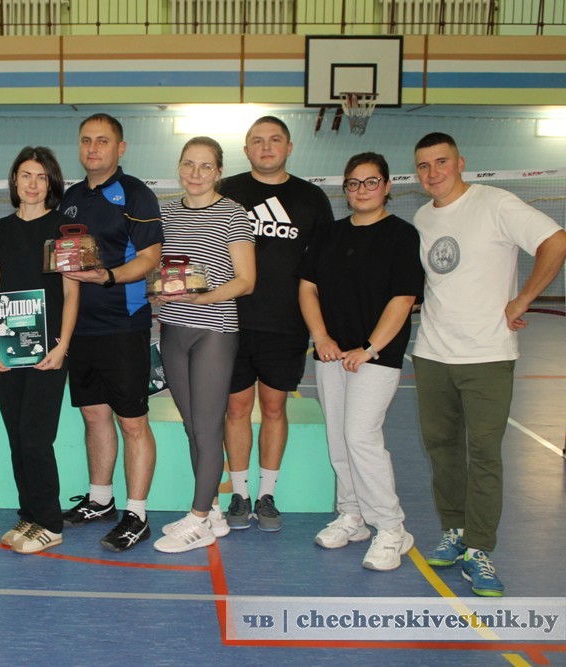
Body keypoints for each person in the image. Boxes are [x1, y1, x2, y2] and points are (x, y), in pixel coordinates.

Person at [412, 132, 566, 596]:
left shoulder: (496, 203)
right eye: (423, 166)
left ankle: (479, 549)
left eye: (441, 162)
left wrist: (524, 298)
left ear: (461, 162)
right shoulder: (422, 216)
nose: (433, 173)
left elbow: (556, 241)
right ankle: (455, 531)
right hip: (432, 353)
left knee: (483, 454)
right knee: (441, 450)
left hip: (488, 355)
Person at [298, 152, 423, 571]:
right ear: (345, 189)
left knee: (360, 436)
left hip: (376, 356)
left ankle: (391, 527)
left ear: (386, 186)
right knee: (338, 437)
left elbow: (403, 298)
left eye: (371, 182)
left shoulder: (402, 235)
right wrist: (322, 337)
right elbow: (308, 288)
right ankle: (351, 515)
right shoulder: (330, 234)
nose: (362, 190)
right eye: (354, 183)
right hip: (332, 354)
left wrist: (368, 348)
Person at [217, 116, 334, 531]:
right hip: (230, 322)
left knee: (273, 407)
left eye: (274, 140)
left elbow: (324, 266)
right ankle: (239, 494)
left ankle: (266, 496)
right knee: (235, 408)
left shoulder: (311, 198)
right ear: (246, 149)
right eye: (257, 141)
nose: (266, 147)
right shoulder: (226, 191)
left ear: (289, 147)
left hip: (285, 325)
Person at [58, 113, 163, 552]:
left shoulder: (135, 194)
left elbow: (151, 257)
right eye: (86, 140)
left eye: (102, 141)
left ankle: (137, 515)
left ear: (120, 148)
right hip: (79, 329)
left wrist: (108, 277)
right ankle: (100, 500)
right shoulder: (70, 197)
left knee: (132, 421)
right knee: (93, 415)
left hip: (124, 325)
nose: (93, 148)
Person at [151, 137, 255, 554]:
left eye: (205, 166)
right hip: (172, 330)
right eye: (188, 164)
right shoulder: (165, 213)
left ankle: (197, 521)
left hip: (213, 329)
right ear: (179, 167)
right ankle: (211, 512)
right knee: (192, 426)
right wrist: (156, 291)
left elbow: (246, 280)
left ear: (219, 172)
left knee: (209, 427)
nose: (195, 174)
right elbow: (158, 268)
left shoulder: (233, 214)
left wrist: (204, 298)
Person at [0, 147, 79, 555]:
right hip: (6, 349)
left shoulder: (64, 230)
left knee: (37, 439)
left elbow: (72, 293)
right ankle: (30, 514)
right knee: (18, 438)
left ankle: (50, 523)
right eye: (26, 175)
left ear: (51, 183)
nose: (33, 184)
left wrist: (63, 345)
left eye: (41, 176)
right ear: (14, 180)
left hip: (47, 351)